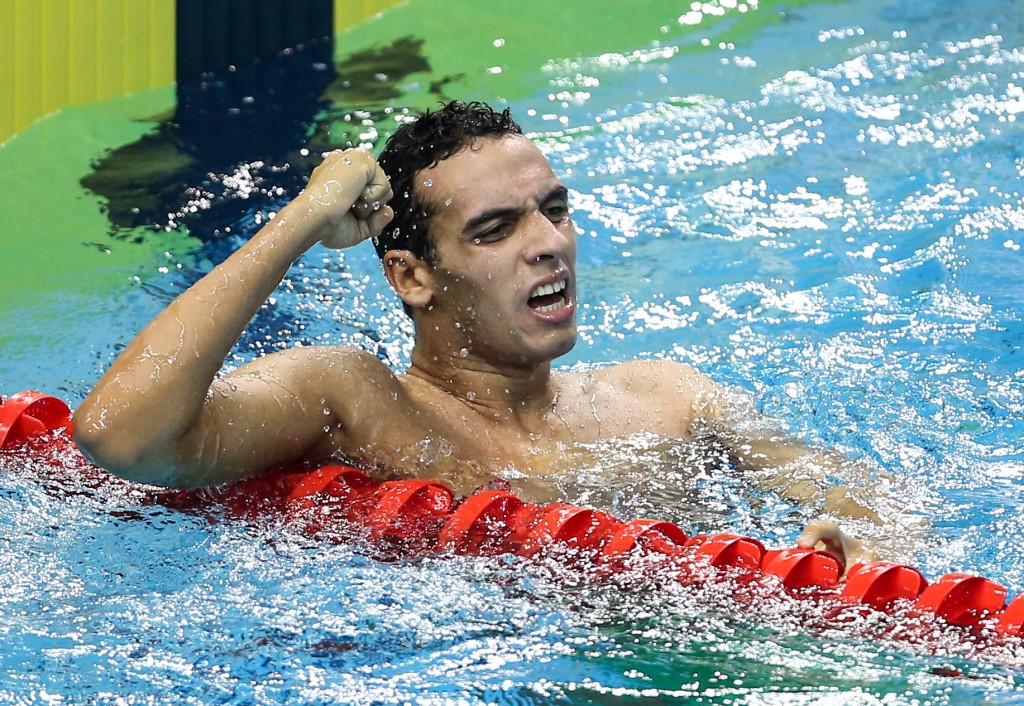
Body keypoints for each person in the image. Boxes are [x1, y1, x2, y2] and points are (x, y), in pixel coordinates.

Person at [74, 101, 885, 570]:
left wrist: (859, 550)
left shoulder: (665, 399)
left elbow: (871, 496)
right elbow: (125, 436)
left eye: (555, 210)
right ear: (412, 276)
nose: (549, 243)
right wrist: (305, 219)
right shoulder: (355, 401)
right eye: (497, 228)